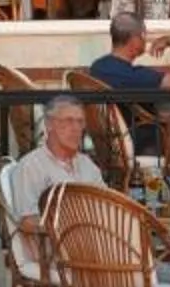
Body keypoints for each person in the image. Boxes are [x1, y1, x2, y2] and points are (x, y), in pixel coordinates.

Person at [6, 95, 106, 230]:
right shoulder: (31, 166)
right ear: (49, 125)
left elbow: (106, 207)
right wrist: (70, 227)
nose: (76, 128)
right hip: (53, 248)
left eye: (80, 122)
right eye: (68, 121)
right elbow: (28, 221)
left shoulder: (87, 165)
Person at [85, 9, 170, 95]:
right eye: (144, 35)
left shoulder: (97, 67)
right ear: (135, 39)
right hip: (140, 129)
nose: (145, 39)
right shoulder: (139, 77)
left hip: (111, 130)